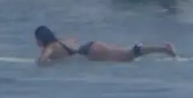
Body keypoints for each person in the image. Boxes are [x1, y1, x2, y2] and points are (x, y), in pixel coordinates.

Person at [34, 26, 176, 66]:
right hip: (91, 45)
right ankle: (161, 48)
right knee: (127, 54)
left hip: (91, 53)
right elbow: (74, 40)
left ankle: (162, 48)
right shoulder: (61, 40)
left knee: (128, 56)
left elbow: (42, 62)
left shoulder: (50, 48)